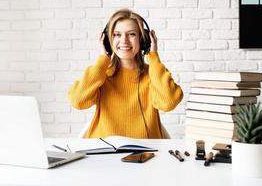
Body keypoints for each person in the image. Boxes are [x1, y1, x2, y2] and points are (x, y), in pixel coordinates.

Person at [68, 9, 183, 139]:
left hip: (147, 154)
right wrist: (102, 60)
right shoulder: (101, 74)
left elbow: (169, 102)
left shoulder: (153, 75)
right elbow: (77, 101)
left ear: (143, 40)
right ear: (108, 41)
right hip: (104, 153)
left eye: (131, 34)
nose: (124, 41)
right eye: (117, 34)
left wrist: (154, 57)